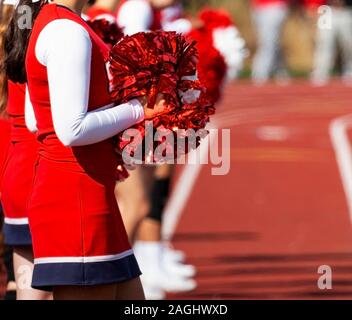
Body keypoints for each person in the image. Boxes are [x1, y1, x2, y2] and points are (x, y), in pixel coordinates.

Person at [5, 0, 166, 300]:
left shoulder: (59, 23)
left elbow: (34, 119)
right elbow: (71, 129)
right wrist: (138, 110)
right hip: (75, 201)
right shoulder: (66, 30)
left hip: (90, 193)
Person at [310, 0, 352, 85]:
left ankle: (349, 71)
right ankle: (320, 73)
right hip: (327, 11)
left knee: (348, 45)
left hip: (346, 11)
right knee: (324, 43)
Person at [251, 0, 291, 84]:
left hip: (275, 6)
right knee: (272, 43)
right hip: (258, 7)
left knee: (267, 43)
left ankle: (259, 74)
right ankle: (280, 72)